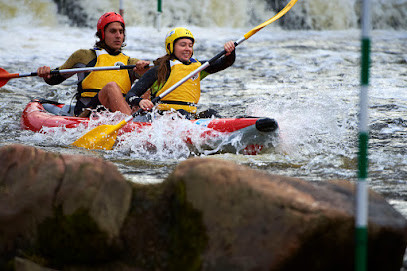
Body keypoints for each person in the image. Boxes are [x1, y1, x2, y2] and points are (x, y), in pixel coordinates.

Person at [37, 12, 150, 116]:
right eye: (113, 31)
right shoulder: (83, 56)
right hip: (87, 114)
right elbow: (54, 79)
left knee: (150, 84)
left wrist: (145, 71)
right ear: (101, 34)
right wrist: (46, 74)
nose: (118, 36)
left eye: (121, 32)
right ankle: (132, 126)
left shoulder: (131, 62)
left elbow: (159, 81)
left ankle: (137, 120)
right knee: (111, 87)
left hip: (116, 115)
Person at [125, 27, 235, 119]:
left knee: (211, 113)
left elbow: (225, 63)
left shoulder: (197, 68)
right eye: (183, 45)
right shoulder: (159, 70)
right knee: (182, 114)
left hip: (189, 116)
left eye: (190, 45)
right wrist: (140, 102)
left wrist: (230, 52)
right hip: (164, 117)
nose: (187, 49)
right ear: (170, 47)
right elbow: (130, 95)